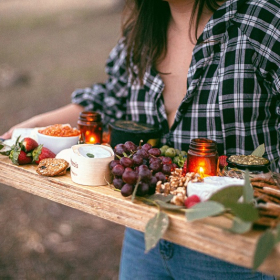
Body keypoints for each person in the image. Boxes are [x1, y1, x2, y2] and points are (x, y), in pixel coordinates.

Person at [1, 0, 279, 278]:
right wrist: (34, 126)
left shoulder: (262, 21)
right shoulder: (141, 33)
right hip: (144, 233)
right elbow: (109, 102)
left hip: (233, 252)